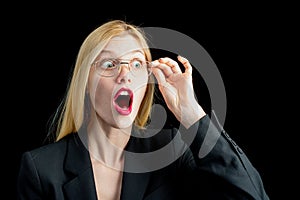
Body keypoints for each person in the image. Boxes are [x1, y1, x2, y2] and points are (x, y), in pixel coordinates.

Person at [17, 19, 270, 200]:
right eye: (109, 63)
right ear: (85, 82)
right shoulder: (41, 169)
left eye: (137, 64)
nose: (125, 74)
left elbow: (251, 194)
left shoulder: (173, 151)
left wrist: (191, 114)